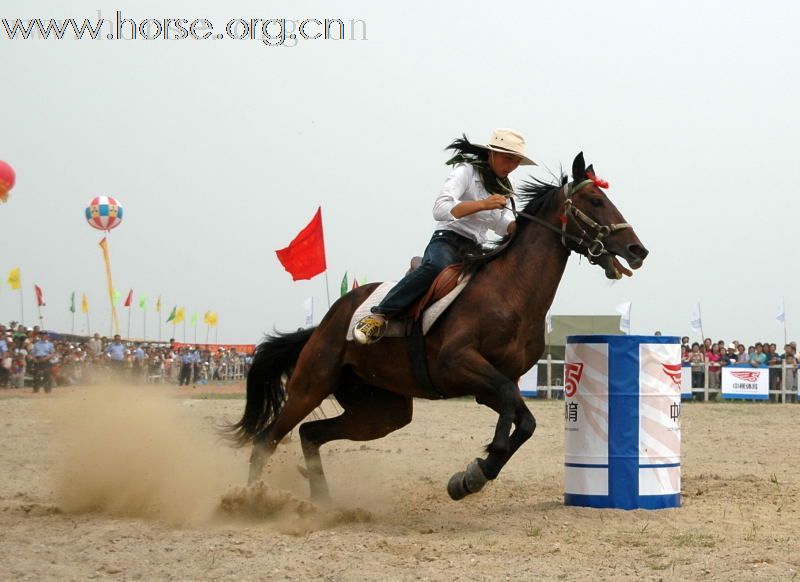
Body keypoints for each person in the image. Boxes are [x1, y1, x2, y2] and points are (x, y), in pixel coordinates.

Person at [353, 128, 535, 344]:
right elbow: (440, 208)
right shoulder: (466, 171)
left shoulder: (507, 186)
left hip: (476, 249)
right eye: (508, 159)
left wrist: (518, 227)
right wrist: (482, 204)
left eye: (516, 161)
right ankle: (380, 313)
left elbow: (498, 223)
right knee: (435, 267)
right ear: (491, 153)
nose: (511, 166)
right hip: (448, 239)